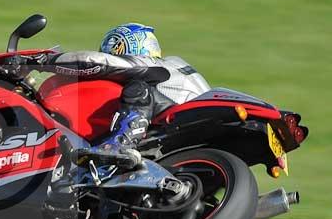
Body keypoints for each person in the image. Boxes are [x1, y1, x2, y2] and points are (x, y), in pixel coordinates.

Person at [25, 23, 211, 169]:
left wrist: (42, 61)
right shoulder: (174, 70)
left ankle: (121, 143)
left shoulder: (152, 64)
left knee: (136, 88)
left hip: (182, 117)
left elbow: (96, 62)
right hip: (192, 137)